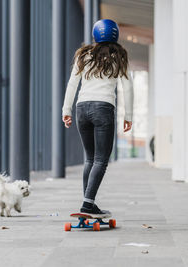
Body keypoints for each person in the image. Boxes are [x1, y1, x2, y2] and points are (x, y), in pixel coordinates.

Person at [61, 19, 134, 216]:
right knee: (101, 160)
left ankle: (89, 203)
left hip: (82, 109)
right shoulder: (118, 55)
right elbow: (127, 87)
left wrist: (66, 110)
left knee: (90, 159)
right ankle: (87, 204)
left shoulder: (83, 55)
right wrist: (129, 115)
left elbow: (72, 83)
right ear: (116, 35)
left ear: (95, 35)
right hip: (103, 108)